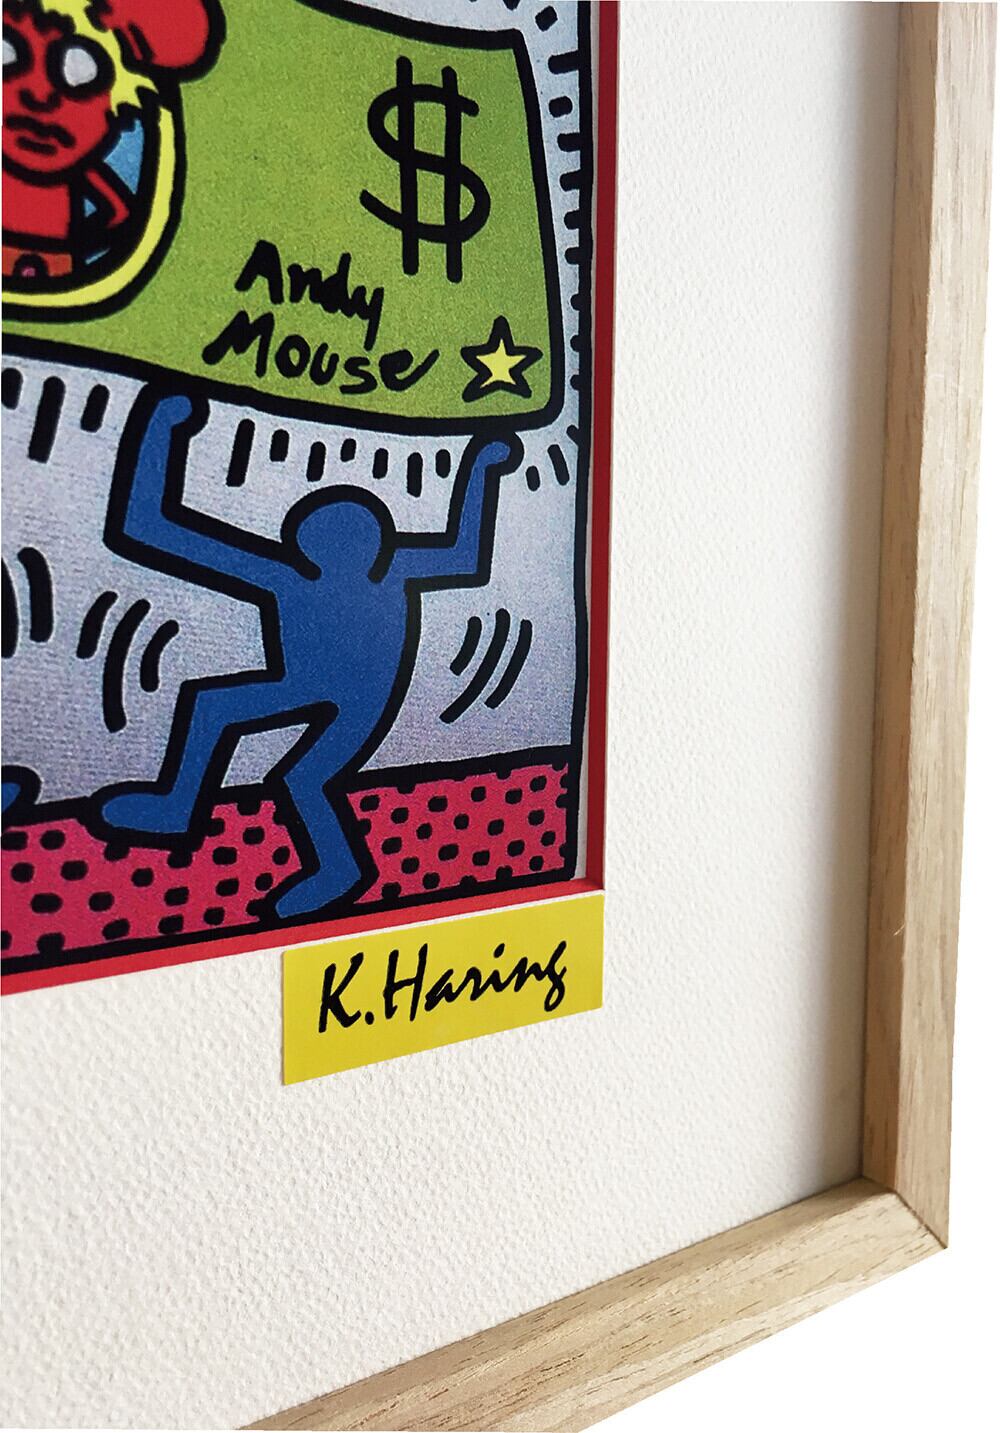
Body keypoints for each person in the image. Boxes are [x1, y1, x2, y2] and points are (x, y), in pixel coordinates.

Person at [96, 388, 520, 918]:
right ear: (305, 544)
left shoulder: (392, 569)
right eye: (328, 536)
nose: (346, 546)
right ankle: (177, 808)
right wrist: (162, 428)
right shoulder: (291, 576)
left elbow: (466, 553)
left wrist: (482, 468)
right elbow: (155, 530)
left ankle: (339, 868)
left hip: (362, 702)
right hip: (302, 685)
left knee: (304, 778)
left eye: (358, 535)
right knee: (215, 707)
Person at [2, 0, 219, 282]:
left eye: (79, 73)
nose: (40, 95)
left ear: (119, 103)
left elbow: (117, 212)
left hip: (58, 261)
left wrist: (83, 240)